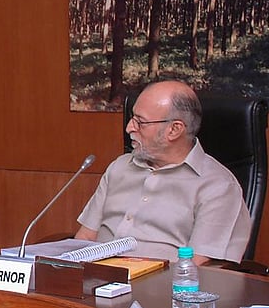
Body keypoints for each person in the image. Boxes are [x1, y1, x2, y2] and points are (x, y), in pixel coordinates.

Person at [76, 80, 251, 265]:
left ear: (174, 129)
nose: (129, 127)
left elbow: (197, 268)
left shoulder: (217, 186)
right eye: (131, 118)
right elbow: (85, 237)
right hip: (96, 282)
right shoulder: (119, 167)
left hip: (158, 288)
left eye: (140, 122)